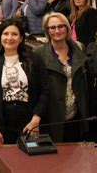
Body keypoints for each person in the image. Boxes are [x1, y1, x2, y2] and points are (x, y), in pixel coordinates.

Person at [0, 18, 49, 146]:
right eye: (5, 34)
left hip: (30, 122)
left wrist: (36, 120)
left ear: (21, 38)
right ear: (0, 37)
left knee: (30, 159)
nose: (9, 38)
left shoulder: (34, 59)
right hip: (3, 123)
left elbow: (45, 90)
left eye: (14, 34)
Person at [34, 13, 91, 142]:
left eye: (61, 26)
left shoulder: (79, 47)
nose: (57, 31)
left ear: (67, 28)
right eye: (52, 28)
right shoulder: (38, 53)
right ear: (47, 31)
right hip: (51, 119)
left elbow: (87, 84)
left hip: (77, 117)